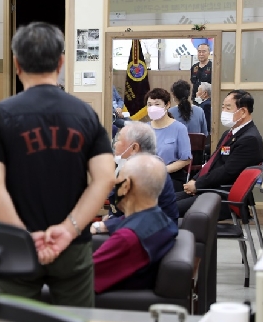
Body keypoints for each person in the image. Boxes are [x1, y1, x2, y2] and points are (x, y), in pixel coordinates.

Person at [0, 22, 115, 307]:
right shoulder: (85, 114)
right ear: (61, 62)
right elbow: (105, 179)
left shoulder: (0, 114)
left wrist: (23, 237)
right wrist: (68, 229)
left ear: (17, 64)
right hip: (72, 247)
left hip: (16, 246)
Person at [93, 154, 178, 294]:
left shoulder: (127, 238)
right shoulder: (160, 219)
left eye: (118, 178)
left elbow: (77, 280)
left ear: (126, 186)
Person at [178, 90, 263, 219]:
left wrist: (198, 185)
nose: (224, 111)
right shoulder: (230, 134)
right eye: (223, 107)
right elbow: (213, 162)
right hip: (209, 188)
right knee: (163, 202)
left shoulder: (250, 139)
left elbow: (227, 172)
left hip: (223, 195)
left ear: (243, 112)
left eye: (228, 108)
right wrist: (195, 180)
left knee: (169, 209)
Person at [92, 122, 178, 234]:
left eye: (118, 140)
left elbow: (142, 217)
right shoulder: (135, 165)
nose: (114, 144)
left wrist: (103, 226)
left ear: (134, 147)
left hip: (154, 233)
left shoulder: (146, 172)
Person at [146, 87, 192, 192]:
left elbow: (186, 159)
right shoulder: (144, 129)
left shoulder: (179, 128)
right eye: (149, 104)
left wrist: (162, 170)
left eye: (157, 104)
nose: (153, 107)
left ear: (167, 105)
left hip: (171, 176)